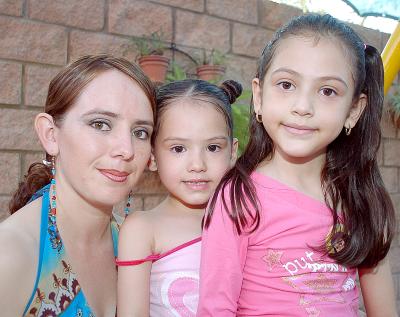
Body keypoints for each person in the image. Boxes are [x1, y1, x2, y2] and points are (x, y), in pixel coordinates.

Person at [197, 13, 397, 316]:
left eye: (327, 91)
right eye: (287, 84)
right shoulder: (240, 197)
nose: (303, 107)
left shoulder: (359, 197)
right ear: (260, 96)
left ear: (354, 111)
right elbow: (215, 308)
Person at [0, 54, 156, 316]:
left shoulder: (136, 244)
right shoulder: (10, 256)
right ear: (50, 134)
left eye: (140, 132)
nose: (126, 150)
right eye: (100, 124)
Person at [116, 79, 241, 317]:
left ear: (232, 152)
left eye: (213, 148)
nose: (197, 165)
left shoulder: (244, 220)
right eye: (178, 149)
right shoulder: (142, 229)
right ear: (152, 157)